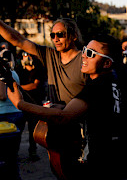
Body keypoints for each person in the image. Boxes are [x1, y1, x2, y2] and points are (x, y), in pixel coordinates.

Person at [7, 34, 122, 179]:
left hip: (98, 163)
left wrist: (20, 104)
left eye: (91, 54)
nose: (84, 56)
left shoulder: (97, 85)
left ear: (106, 63)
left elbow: (62, 118)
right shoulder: (114, 80)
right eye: (85, 50)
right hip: (115, 158)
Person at [0, 18, 87, 178]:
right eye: (52, 35)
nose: (55, 39)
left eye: (60, 34)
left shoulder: (86, 60)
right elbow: (18, 39)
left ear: (74, 35)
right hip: (56, 127)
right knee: (61, 172)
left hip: (81, 130)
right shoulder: (50, 54)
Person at [16, 51, 46, 161]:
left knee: (33, 131)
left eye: (27, 56)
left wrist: (20, 87)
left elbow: (35, 85)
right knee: (19, 130)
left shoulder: (38, 69)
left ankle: (32, 152)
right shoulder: (19, 70)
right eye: (24, 56)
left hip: (34, 104)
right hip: (23, 105)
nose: (26, 58)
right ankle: (15, 152)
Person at [0, 44, 22, 180]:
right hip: (16, 113)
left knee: (4, 159)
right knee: (12, 157)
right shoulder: (13, 72)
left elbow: (2, 95)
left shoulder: (2, 72)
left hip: (5, 116)